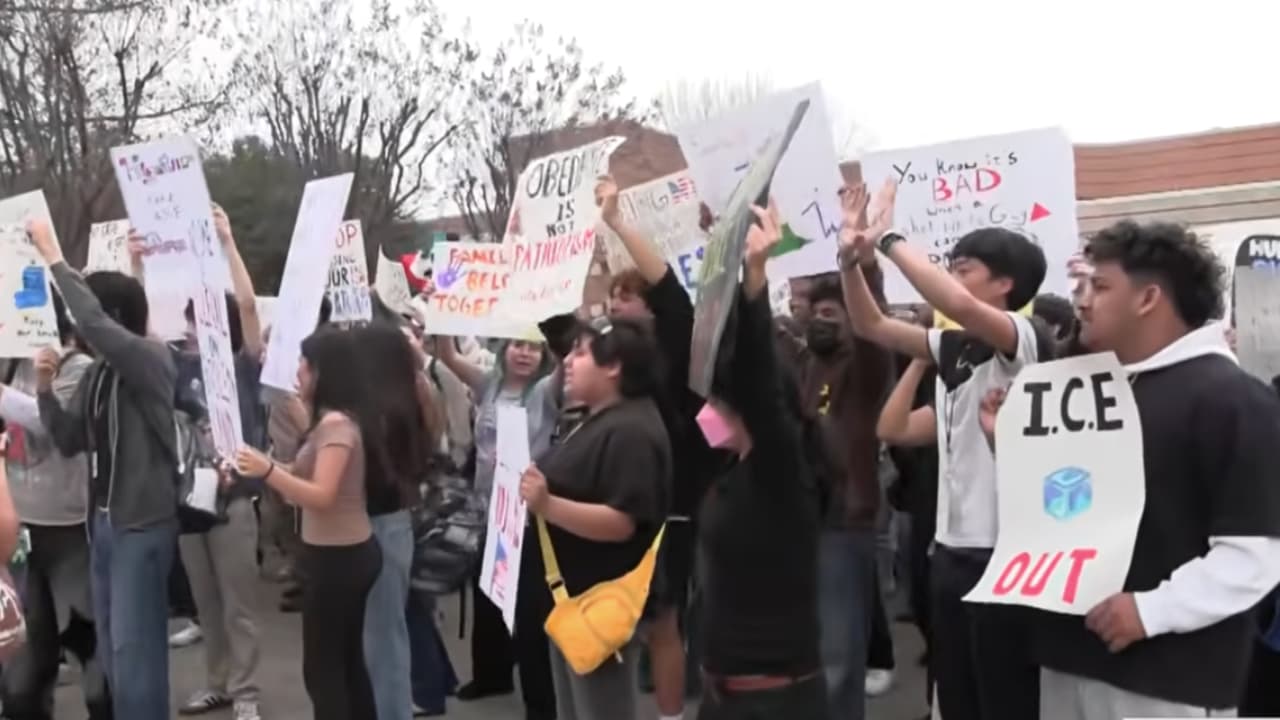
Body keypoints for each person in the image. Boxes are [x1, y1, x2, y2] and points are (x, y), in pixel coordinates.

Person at [1023, 221, 1280, 719]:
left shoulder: (1232, 399)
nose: (1082, 301)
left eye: (1099, 286)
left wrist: (1151, 611)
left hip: (1166, 681)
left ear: (1149, 299)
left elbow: (1257, 553)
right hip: (1066, 658)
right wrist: (1007, 443)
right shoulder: (1091, 391)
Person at [838, 181, 1048, 720]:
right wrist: (849, 261)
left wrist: (888, 239)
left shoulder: (1023, 339)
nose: (953, 276)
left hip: (1004, 554)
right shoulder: (955, 347)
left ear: (1005, 284)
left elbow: (951, 301)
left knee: (1002, 699)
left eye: (965, 267)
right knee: (954, 695)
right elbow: (871, 325)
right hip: (949, 551)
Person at [28, 218, 179, 720]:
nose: (78, 327)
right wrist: (45, 391)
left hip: (141, 524)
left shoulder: (150, 361)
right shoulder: (99, 375)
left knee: (136, 652)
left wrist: (53, 254)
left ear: (111, 318)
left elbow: (95, 323)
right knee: (115, 647)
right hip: (105, 526)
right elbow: (69, 441)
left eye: (90, 314)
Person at [693, 200, 828, 720]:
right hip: (723, 694)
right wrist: (721, 268)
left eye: (717, 402)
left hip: (775, 701)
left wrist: (754, 279)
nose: (705, 412)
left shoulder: (781, 471)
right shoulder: (734, 470)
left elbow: (755, 373)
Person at [598, 175, 718, 720]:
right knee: (633, 621)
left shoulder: (679, 349)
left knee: (671, 618)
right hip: (619, 507)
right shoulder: (601, 360)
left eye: (628, 297)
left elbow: (669, 290)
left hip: (676, 506)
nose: (616, 307)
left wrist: (618, 222)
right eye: (611, 299)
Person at [518, 313, 671, 720]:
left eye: (580, 353)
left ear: (614, 366)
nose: (567, 361)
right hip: (572, 600)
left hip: (601, 605)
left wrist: (547, 504)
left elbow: (621, 522)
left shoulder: (632, 431)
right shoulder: (601, 418)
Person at [234, 328, 384, 720]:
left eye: (303, 365)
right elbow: (299, 479)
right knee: (344, 662)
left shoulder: (337, 427)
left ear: (323, 372)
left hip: (340, 560)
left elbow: (321, 495)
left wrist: (267, 469)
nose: (297, 373)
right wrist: (261, 466)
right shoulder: (330, 424)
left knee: (325, 669)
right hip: (334, 556)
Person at [428, 316, 560, 720]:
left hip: (527, 514)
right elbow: (446, 354)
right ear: (504, 350)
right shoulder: (490, 383)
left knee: (527, 608)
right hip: (487, 510)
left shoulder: (546, 392)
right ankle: (491, 674)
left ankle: (540, 700)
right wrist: (443, 312)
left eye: (533, 346)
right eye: (517, 345)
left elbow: (568, 354)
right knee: (489, 594)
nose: (524, 353)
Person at [168, 205, 268, 720]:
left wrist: (228, 243)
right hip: (190, 503)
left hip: (235, 503)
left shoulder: (242, 367)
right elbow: (141, 332)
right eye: (187, 322)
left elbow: (249, 308)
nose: (189, 332)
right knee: (207, 604)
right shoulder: (180, 369)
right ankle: (218, 682)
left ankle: (246, 692)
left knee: (240, 605)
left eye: (199, 323)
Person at [0, 291, 109, 720]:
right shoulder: (10, 364)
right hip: (24, 530)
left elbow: (48, 422)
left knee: (88, 643)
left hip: (69, 531)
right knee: (28, 657)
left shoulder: (74, 367)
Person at [795, 269, 892, 720]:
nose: (819, 321)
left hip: (845, 518)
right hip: (809, 516)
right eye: (814, 313)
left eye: (831, 313)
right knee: (817, 651)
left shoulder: (865, 367)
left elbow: (875, 326)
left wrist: (862, 266)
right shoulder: (811, 365)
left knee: (839, 654)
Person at [349, 322, 441, 720]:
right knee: (384, 635)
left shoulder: (377, 411)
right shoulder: (414, 396)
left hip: (380, 523)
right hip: (395, 520)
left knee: (383, 640)